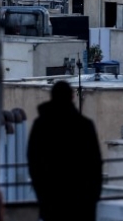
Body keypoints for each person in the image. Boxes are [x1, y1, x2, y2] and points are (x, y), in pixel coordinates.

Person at [27, 80, 103, 221]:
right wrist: (93, 196)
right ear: (72, 97)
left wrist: (42, 194)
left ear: (52, 96)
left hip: (51, 201)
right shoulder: (84, 126)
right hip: (81, 203)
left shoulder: (41, 126)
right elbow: (95, 164)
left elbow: (33, 161)